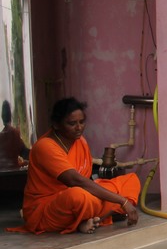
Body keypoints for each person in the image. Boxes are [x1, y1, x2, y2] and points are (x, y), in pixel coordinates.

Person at [8, 98, 140, 234]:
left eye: (82, 122)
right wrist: (122, 201)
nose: (79, 128)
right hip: (48, 209)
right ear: (56, 124)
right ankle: (103, 215)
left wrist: (107, 195)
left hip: (82, 192)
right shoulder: (45, 146)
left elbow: (87, 180)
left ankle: (93, 218)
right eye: (72, 123)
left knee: (130, 180)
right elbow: (75, 181)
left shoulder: (80, 141)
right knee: (79, 197)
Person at [1, 100, 29, 170]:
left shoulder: (1, 136)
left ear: (2, 117)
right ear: (11, 116)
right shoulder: (14, 134)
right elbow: (25, 154)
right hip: (14, 176)